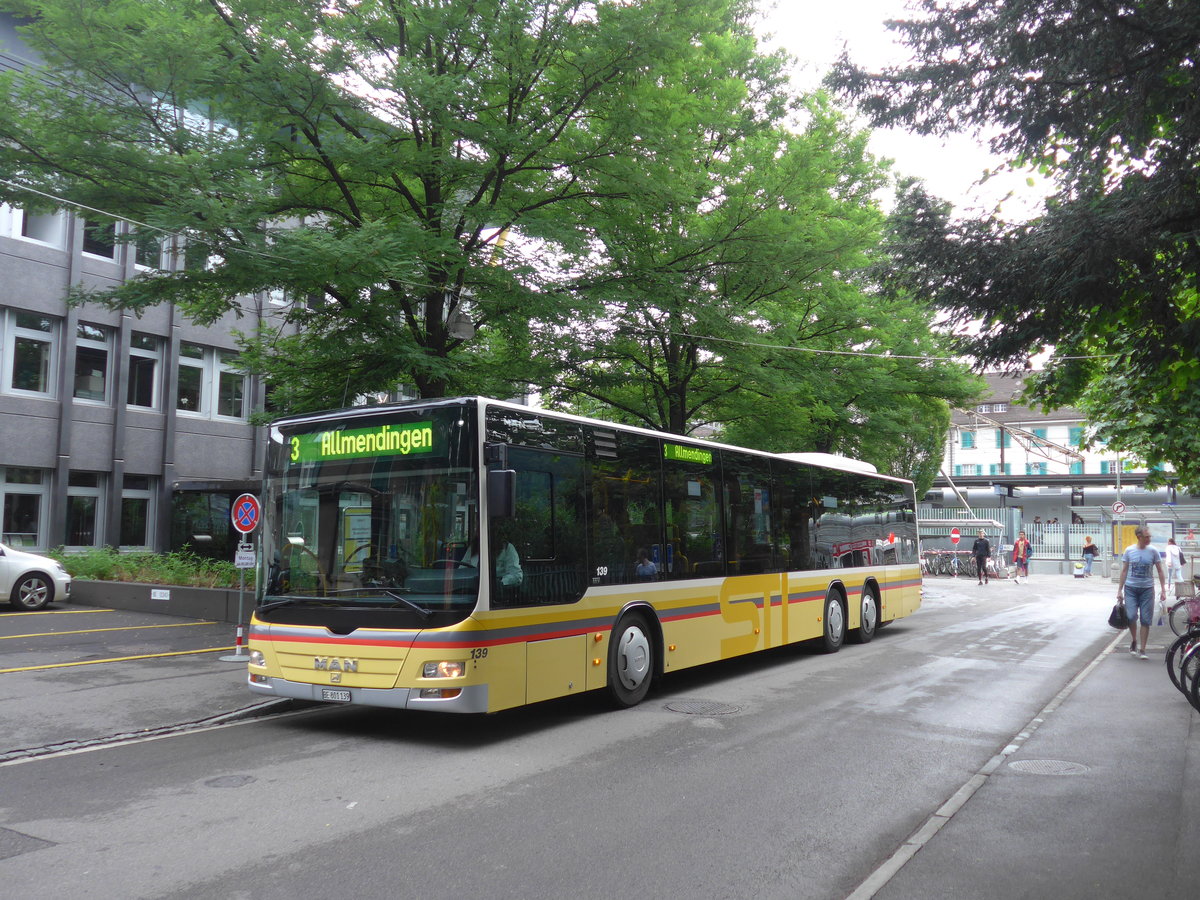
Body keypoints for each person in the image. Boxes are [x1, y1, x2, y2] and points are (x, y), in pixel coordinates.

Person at [1116, 526, 1166, 659]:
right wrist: (1119, 590)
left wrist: (1163, 589)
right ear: (1139, 537)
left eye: (1150, 536)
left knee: (1145, 619)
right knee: (1131, 616)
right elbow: (1124, 570)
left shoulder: (1153, 551)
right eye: (1147, 537)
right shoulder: (1129, 550)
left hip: (1147, 590)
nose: (1149, 539)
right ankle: (1134, 640)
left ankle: (1142, 649)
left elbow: (1160, 571)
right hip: (1131, 588)